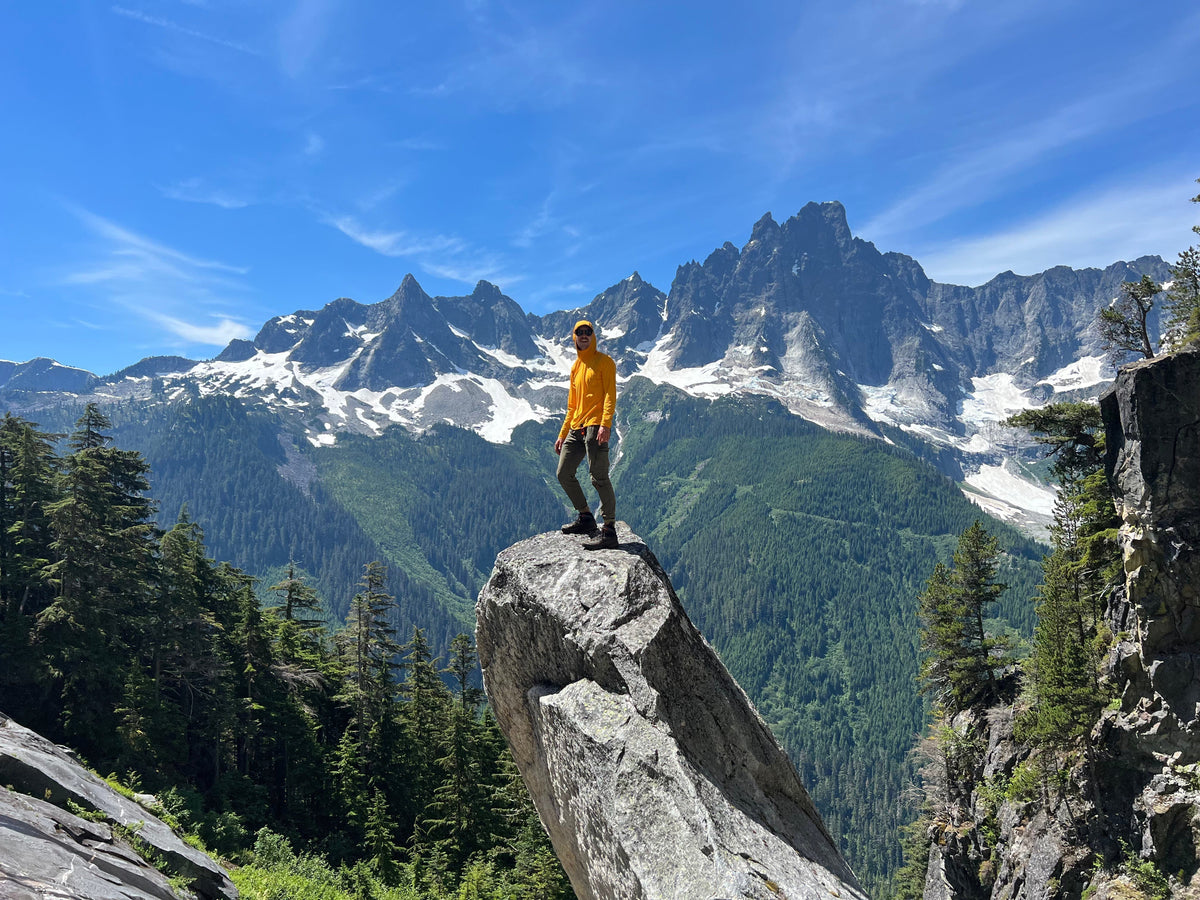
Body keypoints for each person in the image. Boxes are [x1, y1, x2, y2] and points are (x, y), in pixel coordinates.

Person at [555, 319, 619, 550]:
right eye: (579, 332)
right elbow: (572, 405)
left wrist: (606, 424)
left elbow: (610, 395)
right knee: (563, 473)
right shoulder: (575, 367)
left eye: (588, 332)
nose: (584, 335)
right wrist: (563, 434)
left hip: (595, 426)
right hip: (576, 427)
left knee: (598, 477)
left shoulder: (605, 362)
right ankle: (585, 517)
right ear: (574, 337)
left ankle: (609, 530)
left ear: (593, 336)